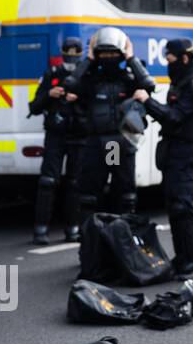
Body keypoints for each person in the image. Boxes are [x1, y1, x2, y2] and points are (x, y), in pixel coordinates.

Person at [137, 37, 193, 279]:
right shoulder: (182, 82)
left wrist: (147, 102)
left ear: (184, 58)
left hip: (186, 154)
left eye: (170, 59)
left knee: (184, 209)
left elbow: (175, 117)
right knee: (174, 211)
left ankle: (192, 261)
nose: (168, 64)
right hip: (173, 154)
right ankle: (182, 259)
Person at [64, 27, 154, 220]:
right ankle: (90, 230)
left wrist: (131, 58)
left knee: (123, 189)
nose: (108, 57)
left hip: (117, 142)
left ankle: (124, 229)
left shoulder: (127, 79)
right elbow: (70, 85)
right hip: (96, 141)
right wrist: (88, 59)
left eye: (113, 53)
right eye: (104, 53)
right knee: (90, 190)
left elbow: (148, 85)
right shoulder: (91, 81)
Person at [28, 37, 86, 245]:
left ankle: (73, 228)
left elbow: (97, 104)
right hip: (56, 134)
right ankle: (41, 230)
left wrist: (79, 98)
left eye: (75, 51)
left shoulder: (86, 75)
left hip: (79, 136)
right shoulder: (52, 75)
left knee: (75, 183)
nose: (71, 55)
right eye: (68, 51)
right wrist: (50, 95)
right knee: (47, 182)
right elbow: (34, 106)